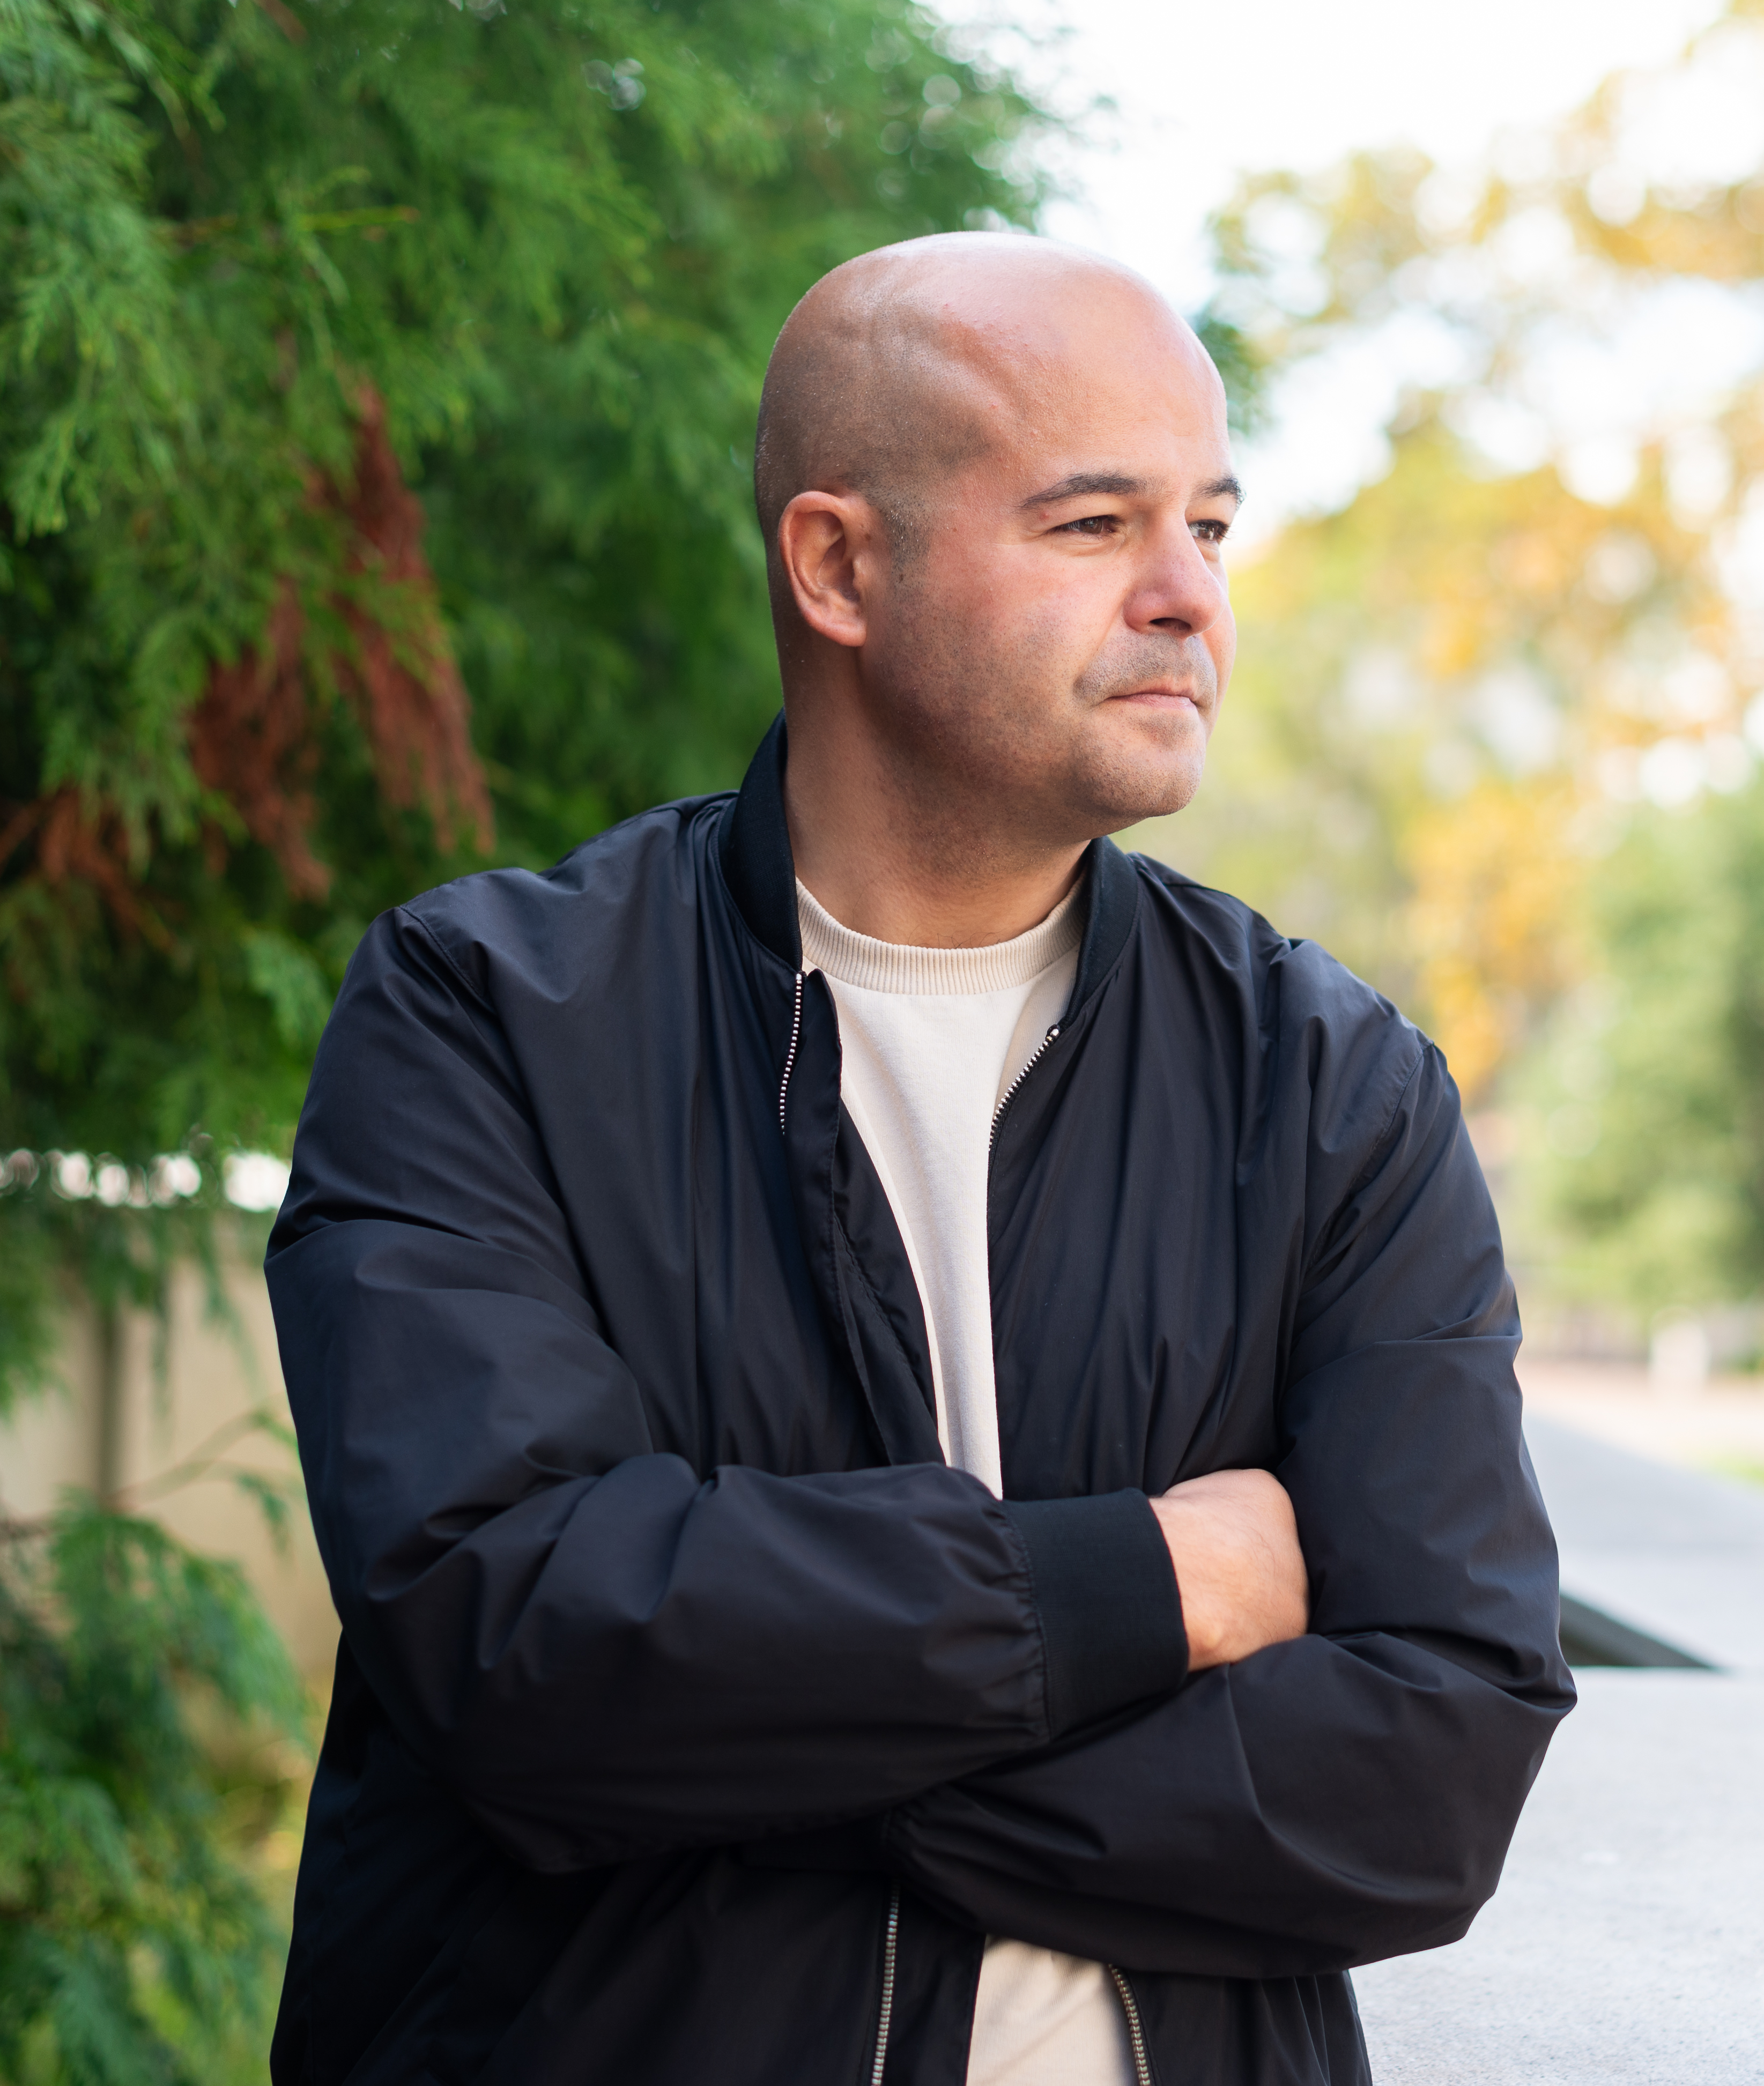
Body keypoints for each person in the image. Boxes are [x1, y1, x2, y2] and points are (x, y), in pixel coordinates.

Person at [264, 232, 1571, 2086]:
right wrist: (1154, 1590)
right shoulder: (490, 1017)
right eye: (1092, 525)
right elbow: (512, 1640)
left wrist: (749, 1750)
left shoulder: (1328, 1085)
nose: (1189, 597)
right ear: (837, 565)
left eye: (1211, 524)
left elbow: (1432, 1768)